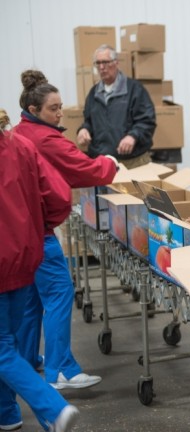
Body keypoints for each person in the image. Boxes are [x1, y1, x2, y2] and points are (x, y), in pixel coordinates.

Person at [14, 70, 118, 391]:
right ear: (34, 111)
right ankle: (58, 371)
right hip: (39, 233)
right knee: (60, 294)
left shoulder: (20, 133)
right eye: (53, 109)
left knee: (32, 300)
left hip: (23, 231)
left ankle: (29, 361)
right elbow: (82, 168)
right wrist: (110, 164)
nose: (60, 114)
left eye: (61, 107)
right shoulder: (44, 138)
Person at [0, 109, 80, 432]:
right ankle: (7, 414)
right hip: (24, 258)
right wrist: (38, 228)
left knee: (3, 349)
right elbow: (60, 196)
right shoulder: (21, 146)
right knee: (11, 344)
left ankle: (55, 408)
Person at [77, 44, 156, 169]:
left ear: (116, 63)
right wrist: (84, 129)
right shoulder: (93, 93)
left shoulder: (134, 90)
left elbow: (147, 121)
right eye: (98, 63)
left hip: (133, 162)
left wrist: (133, 136)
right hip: (102, 162)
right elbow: (89, 121)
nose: (102, 67)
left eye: (106, 62)